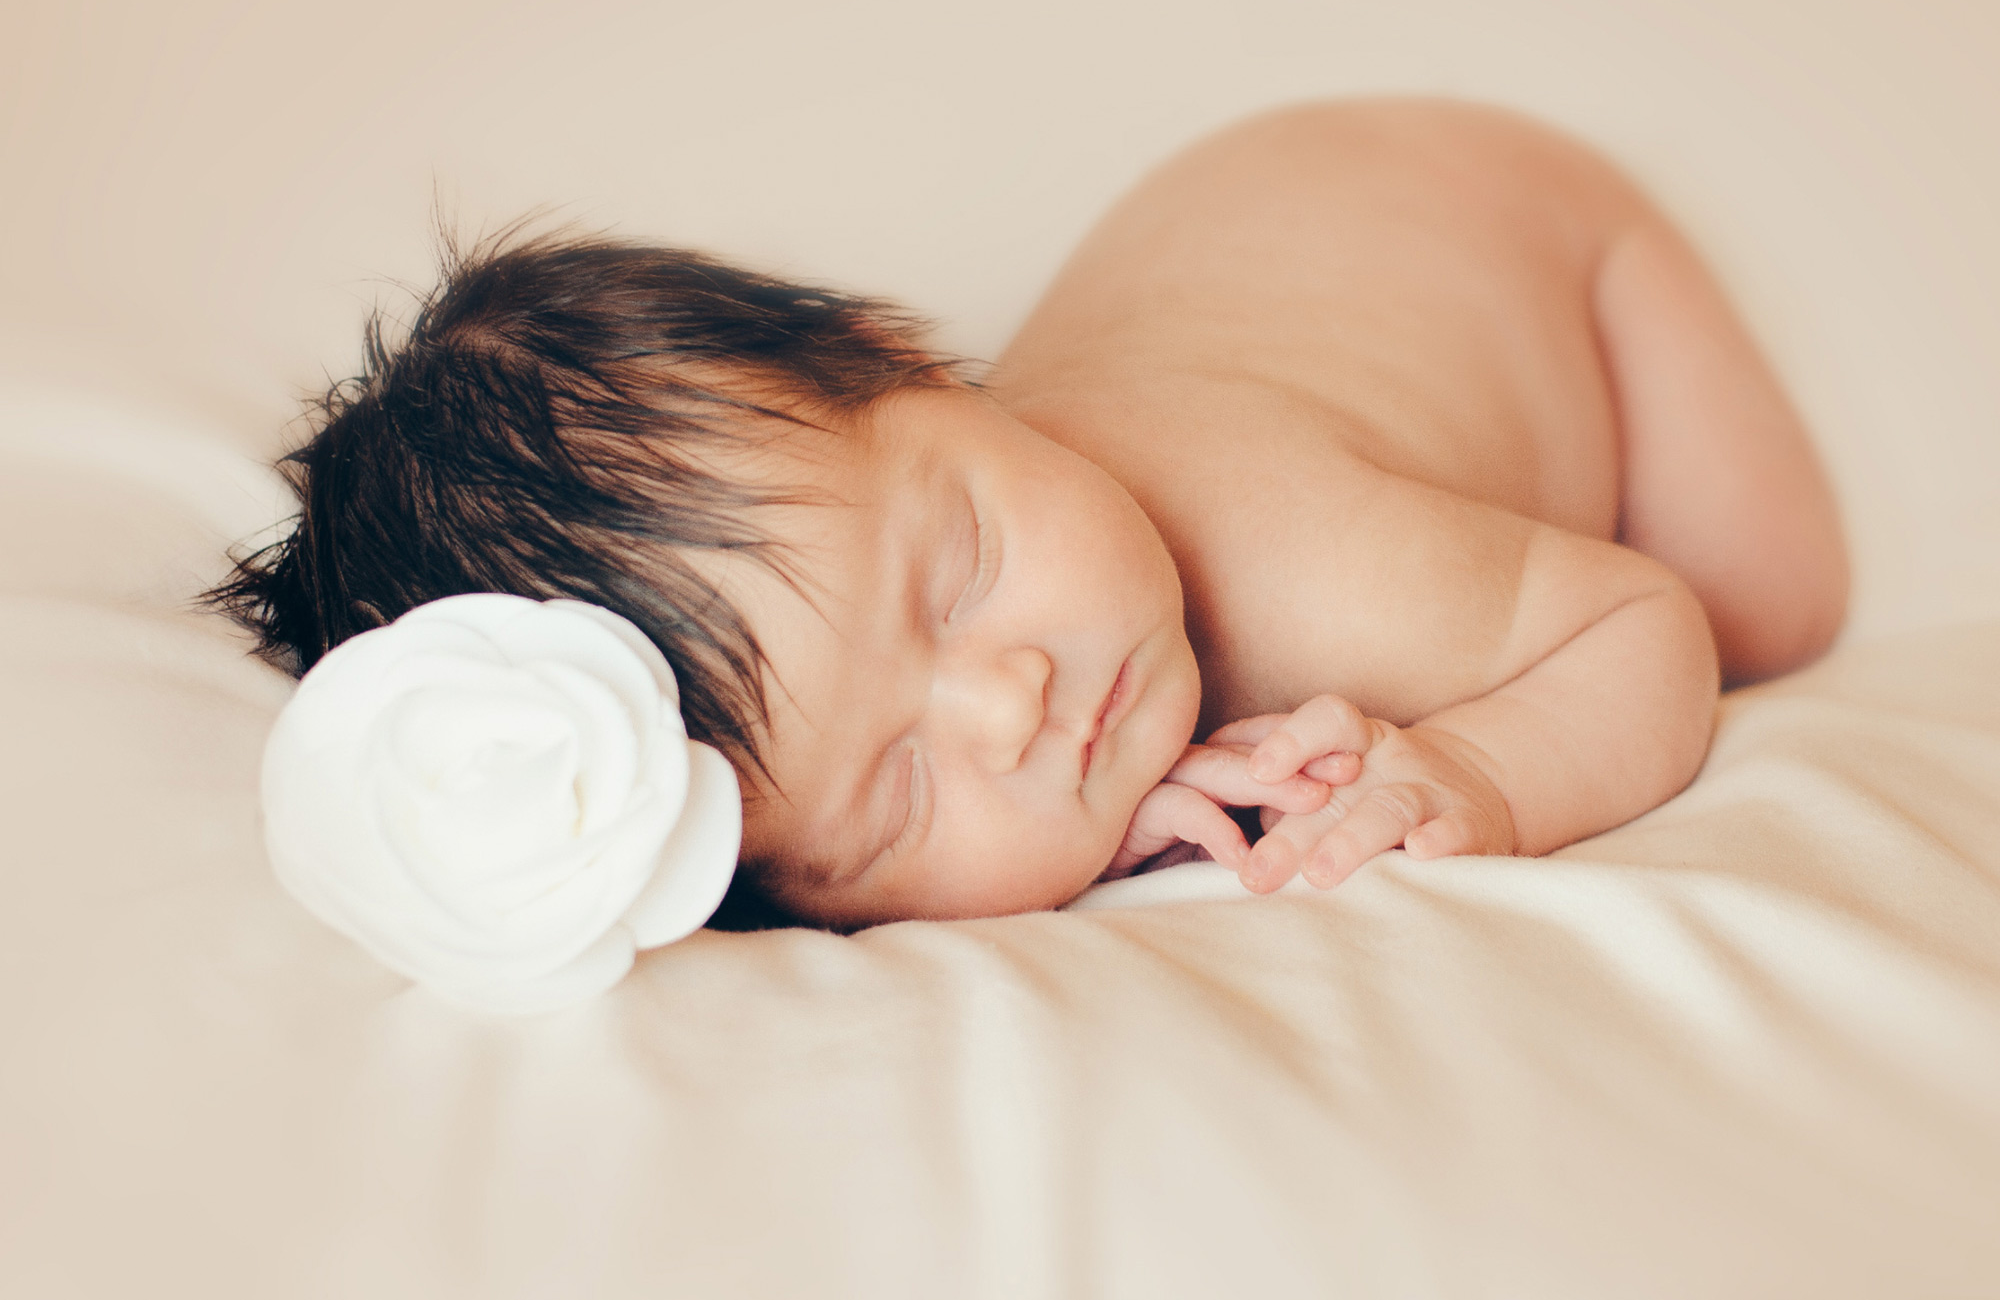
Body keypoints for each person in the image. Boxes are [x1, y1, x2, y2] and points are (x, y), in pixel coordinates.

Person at [209, 98, 1847, 932]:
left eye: (962, 567)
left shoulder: (1302, 547)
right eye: (897, 797)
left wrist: (1484, 763)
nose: (1013, 702)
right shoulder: (1006, 637)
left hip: (1503, 216)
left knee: (1772, 604)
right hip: (1260, 242)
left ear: (921, 366)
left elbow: (1647, 627)